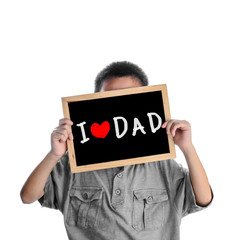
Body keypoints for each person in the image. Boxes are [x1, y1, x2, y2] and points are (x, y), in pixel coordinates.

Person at [20, 61, 214, 240]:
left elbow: (203, 199)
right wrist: (54, 155)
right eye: (110, 99)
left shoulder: (162, 164)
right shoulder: (76, 163)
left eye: (129, 99)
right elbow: (28, 196)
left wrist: (188, 148)